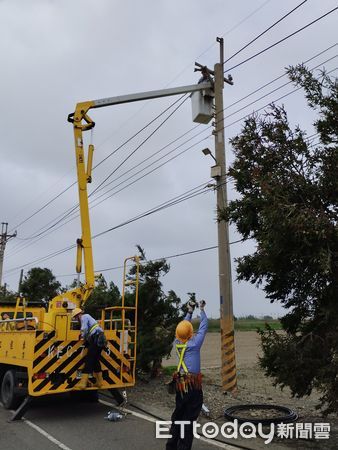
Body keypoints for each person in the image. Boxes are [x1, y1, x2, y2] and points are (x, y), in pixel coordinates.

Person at [166, 300, 208, 450]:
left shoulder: (176, 342)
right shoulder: (194, 344)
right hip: (193, 385)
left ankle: (171, 446)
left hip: (180, 383)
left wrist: (189, 311)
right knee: (189, 419)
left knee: (178, 415)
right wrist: (201, 309)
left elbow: (183, 328)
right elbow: (203, 327)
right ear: (191, 333)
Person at [71, 308, 107, 389]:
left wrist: (81, 336)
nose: (77, 320)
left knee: (89, 360)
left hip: (96, 338)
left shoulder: (84, 317)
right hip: (100, 338)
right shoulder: (88, 317)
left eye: (76, 318)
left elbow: (84, 329)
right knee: (95, 360)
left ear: (78, 315)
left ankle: (83, 383)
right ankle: (100, 382)